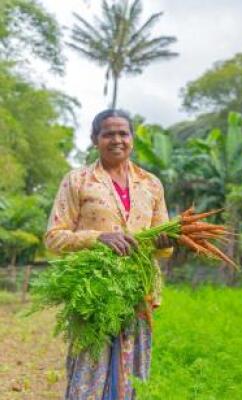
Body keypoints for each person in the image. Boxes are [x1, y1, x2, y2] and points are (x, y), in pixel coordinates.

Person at [45, 109, 173, 399]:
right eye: (108, 134)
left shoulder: (151, 184)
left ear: (132, 139)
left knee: (129, 375)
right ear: (95, 139)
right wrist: (98, 238)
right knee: (89, 374)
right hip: (93, 292)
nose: (117, 139)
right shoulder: (78, 181)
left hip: (137, 292)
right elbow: (54, 237)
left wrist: (165, 241)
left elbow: (164, 247)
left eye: (123, 133)